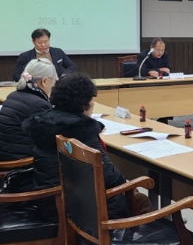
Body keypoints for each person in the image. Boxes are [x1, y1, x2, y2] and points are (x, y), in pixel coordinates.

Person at [23, 72, 151, 219]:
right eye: (91, 98)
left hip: (50, 199)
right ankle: (134, 233)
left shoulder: (44, 121)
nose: (93, 103)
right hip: (77, 209)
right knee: (139, 199)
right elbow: (112, 178)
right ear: (84, 103)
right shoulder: (81, 131)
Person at [0, 59, 56, 162]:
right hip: (21, 162)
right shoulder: (39, 104)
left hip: (3, 155)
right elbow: (48, 141)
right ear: (44, 81)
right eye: (54, 81)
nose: (53, 85)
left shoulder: (13, 95)